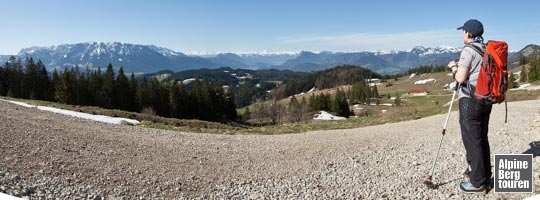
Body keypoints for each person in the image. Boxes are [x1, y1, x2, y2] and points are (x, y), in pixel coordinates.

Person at [447, 19, 492, 193]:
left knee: (472, 140)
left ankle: (477, 182)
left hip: (470, 100)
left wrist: (453, 67)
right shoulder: (486, 48)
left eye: (463, 31)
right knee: (482, 138)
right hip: (485, 99)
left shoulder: (468, 50)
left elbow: (460, 78)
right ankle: (485, 175)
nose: (462, 34)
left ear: (468, 33)